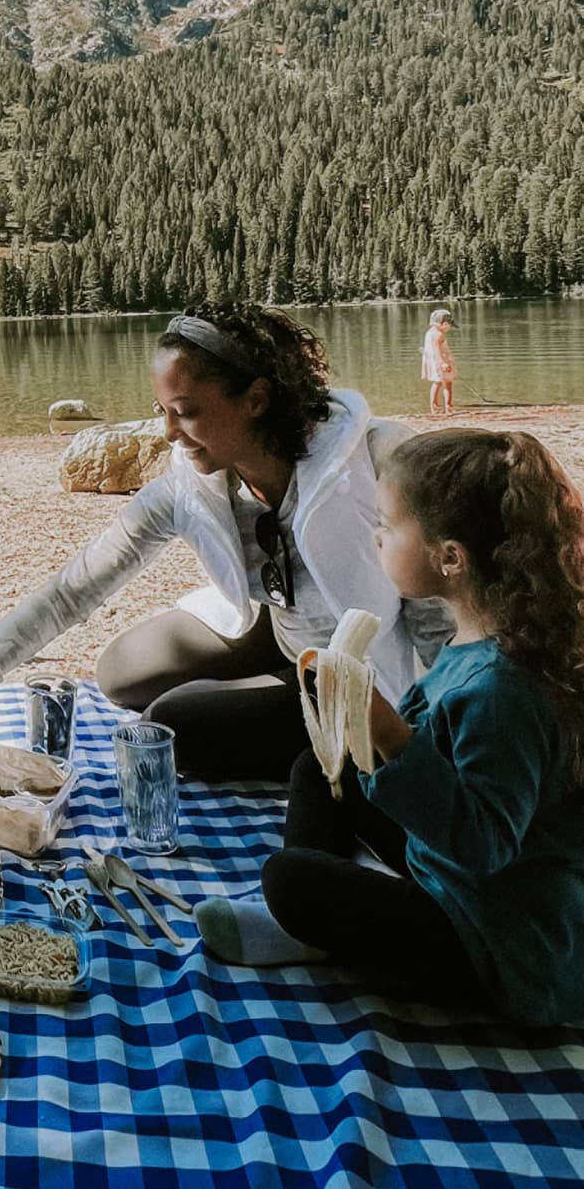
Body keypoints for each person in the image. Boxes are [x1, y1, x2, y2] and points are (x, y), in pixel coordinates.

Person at [0, 303, 452, 784]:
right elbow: (72, 590)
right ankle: (273, 677)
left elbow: (440, 613)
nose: (169, 433)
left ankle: (286, 698)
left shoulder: (377, 462)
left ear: (256, 399)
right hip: (282, 627)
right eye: (162, 412)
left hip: (366, 677)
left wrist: (430, 732)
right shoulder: (192, 487)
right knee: (119, 671)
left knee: (173, 726)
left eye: (186, 412)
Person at [195, 429, 584, 1027]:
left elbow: (482, 845)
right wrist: (369, 735)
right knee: (318, 769)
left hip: (500, 944)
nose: (376, 536)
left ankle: (310, 926)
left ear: (450, 556)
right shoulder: (480, 643)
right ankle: (307, 922)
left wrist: (391, 734)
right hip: (457, 875)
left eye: (388, 524)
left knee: (292, 879)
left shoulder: (504, 690)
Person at [421, 307, 457, 415]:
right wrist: (443, 363)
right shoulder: (439, 334)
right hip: (441, 361)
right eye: (449, 325)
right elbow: (436, 348)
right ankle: (448, 407)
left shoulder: (429, 333)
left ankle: (434, 408)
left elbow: (429, 348)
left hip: (432, 362)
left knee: (437, 383)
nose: (449, 328)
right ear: (444, 324)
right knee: (448, 383)